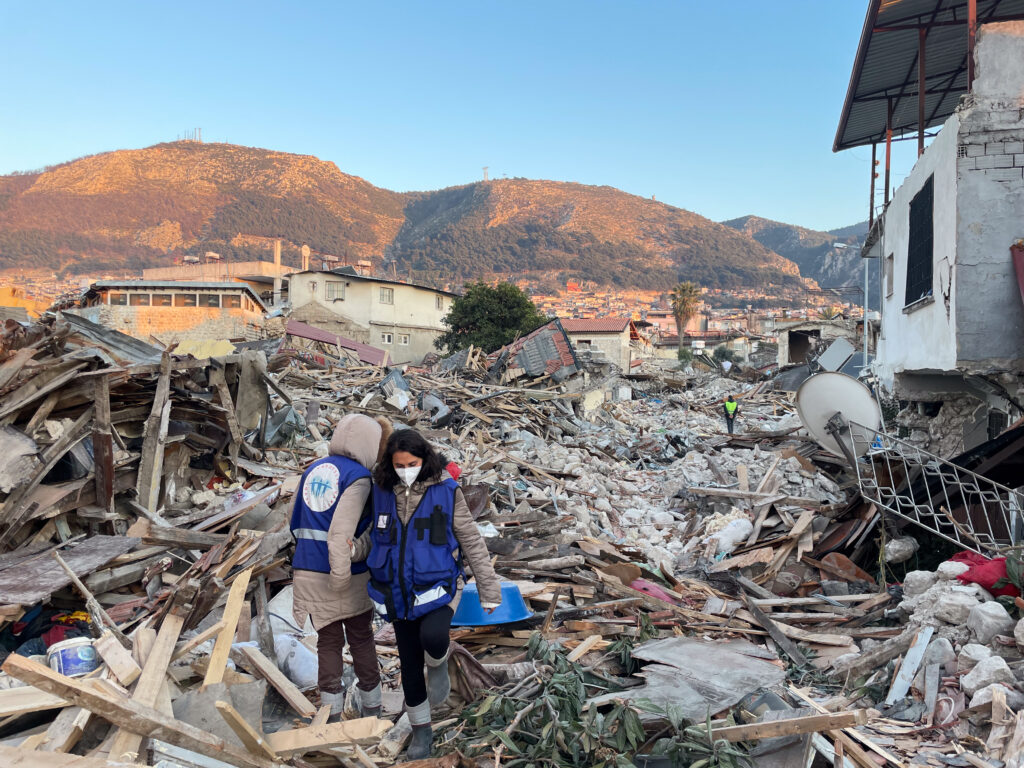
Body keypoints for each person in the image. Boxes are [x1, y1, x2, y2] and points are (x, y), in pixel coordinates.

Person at [368, 429, 502, 759]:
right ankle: (421, 732)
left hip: (438, 587)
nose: (405, 471)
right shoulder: (382, 490)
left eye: (411, 464)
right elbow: (372, 537)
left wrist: (489, 591)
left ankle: (439, 662)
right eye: (398, 465)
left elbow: (471, 540)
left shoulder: (446, 490)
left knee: (434, 636)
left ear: (424, 459)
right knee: (409, 665)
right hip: (398, 592)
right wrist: (351, 551)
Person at [289, 414, 391, 719]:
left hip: (306, 570)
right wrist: (340, 577)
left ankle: (330, 716)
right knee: (361, 638)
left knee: (328, 642)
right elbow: (340, 536)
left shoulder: (313, 469)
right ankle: (372, 710)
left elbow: (292, 520)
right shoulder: (359, 478)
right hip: (343, 575)